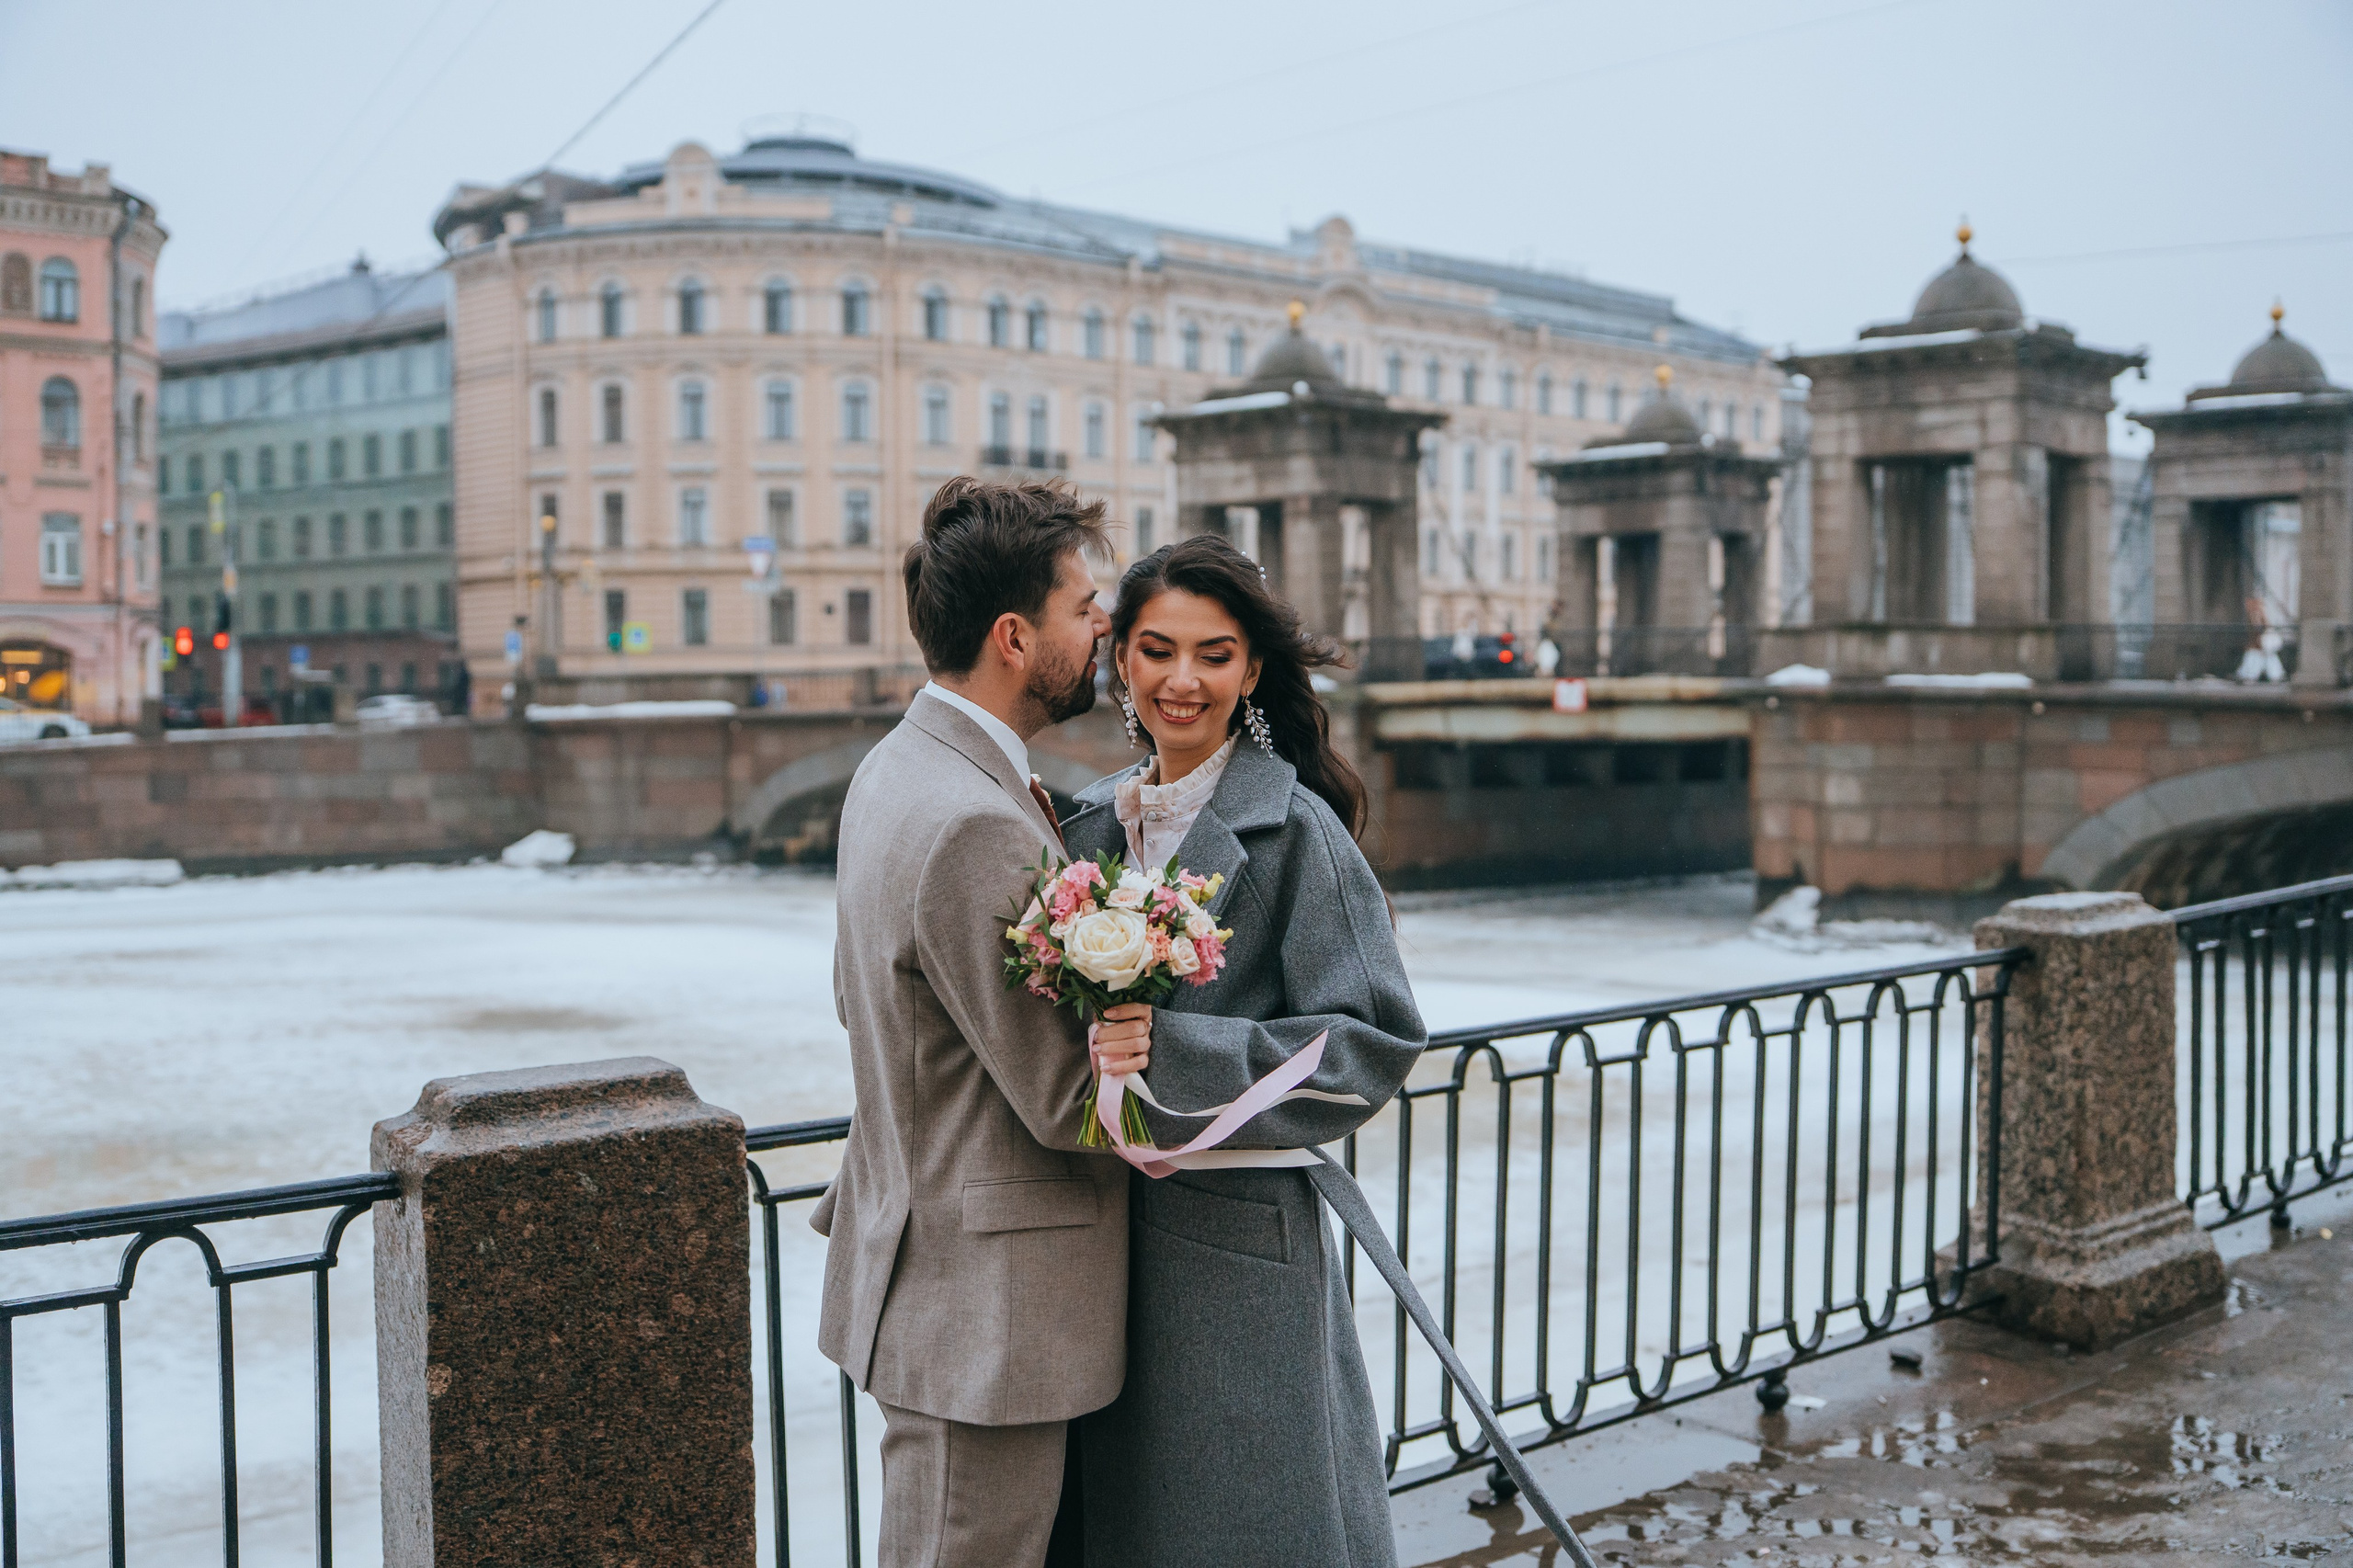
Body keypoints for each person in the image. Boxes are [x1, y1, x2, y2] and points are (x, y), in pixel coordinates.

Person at [1061, 534, 1427, 1568]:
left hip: (1239, 1258)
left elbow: (1374, 1039)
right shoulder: (1085, 827)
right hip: (1096, 1245)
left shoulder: (1298, 830)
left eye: (1213, 654)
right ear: (1121, 660)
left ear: (1251, 669)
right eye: (1157, 649)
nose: (1183, 680)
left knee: (1243, 1530)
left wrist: (1170, 1057)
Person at [812, 476, 1154, 1568]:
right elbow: (1067, 1097)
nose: (1105, 624)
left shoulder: (895, 769)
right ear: (1015, 636)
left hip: (930, 1269)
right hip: (987, 1315)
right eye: (1083, 605)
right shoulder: (971, 818)